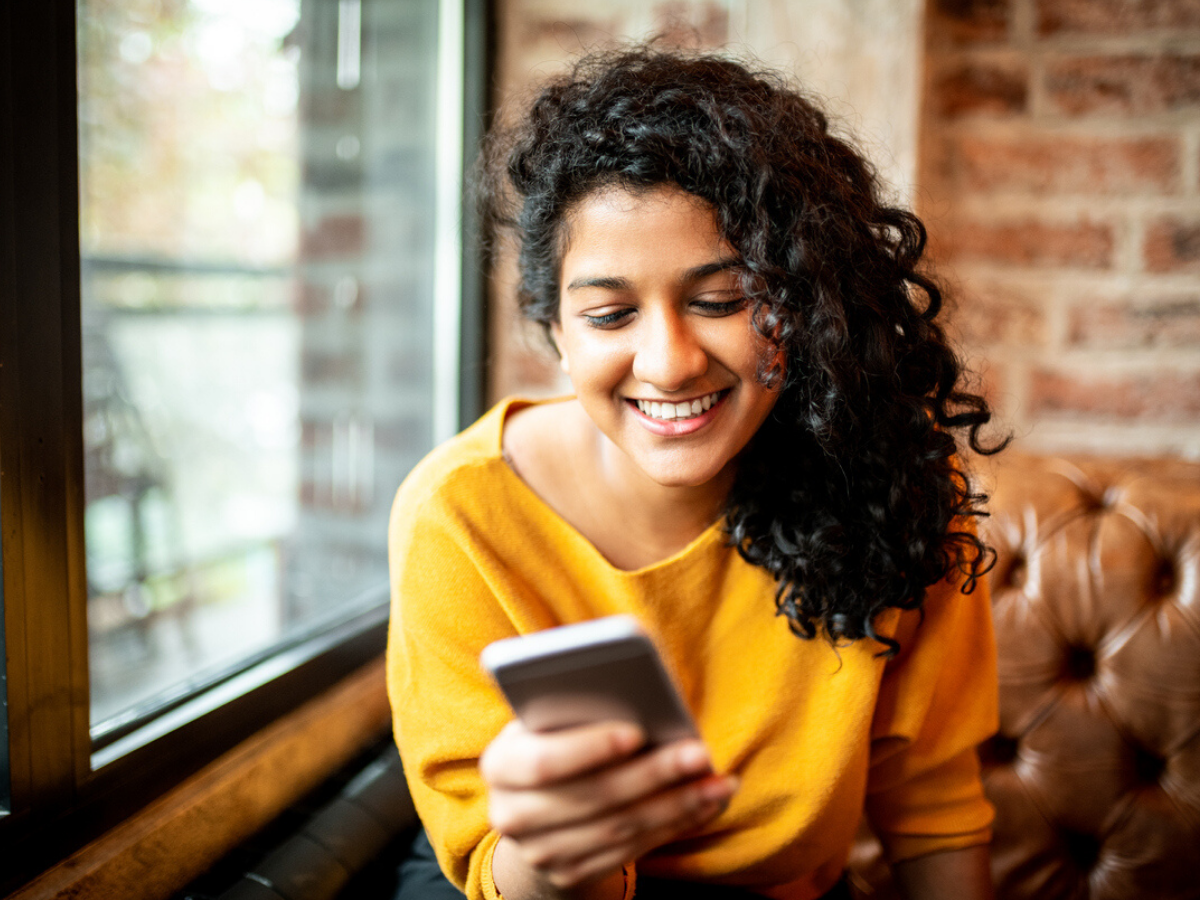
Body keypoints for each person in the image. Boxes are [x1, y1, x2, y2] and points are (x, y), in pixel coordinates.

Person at [387, 46, 1004, 900]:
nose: (669, 364)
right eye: (609, 314)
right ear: (557, 331)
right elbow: (496, 870)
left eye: (721, 300)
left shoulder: (890, 487)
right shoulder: (461, 515)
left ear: (804, 300)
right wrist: (565, 847)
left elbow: (934, 811)